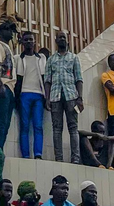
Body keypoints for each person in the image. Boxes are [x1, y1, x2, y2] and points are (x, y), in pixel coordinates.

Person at [44, 31, 83, 163]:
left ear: (67, 40)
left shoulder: (74, 58)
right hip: (55, 97)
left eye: (64, 37)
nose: (62, 39)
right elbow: (47, 81)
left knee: (73, 128)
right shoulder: (51, 60)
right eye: (59, 37)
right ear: (56, 41)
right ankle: (59, 158)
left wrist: (80, 98)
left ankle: (75, 158)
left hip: (71, 96)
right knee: (57, 128)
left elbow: (79, 79)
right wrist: (47, 98)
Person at [15, 30, 46, 159]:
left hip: (39, 95)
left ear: (34, 42)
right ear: (22, 42)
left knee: (38, 125)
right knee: (24, 126)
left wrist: (47, 97)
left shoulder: (41, 58)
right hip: (24, 94)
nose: (28, 42)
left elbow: (45, 77)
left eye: (31, 39)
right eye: (26, 39)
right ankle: (26, 155)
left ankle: (38, 154)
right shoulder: (18, 58)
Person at [0, 21, 16, 149]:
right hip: (3, 87)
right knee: (1, 121)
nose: (11, 32)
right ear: (0, 32)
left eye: (11, 30)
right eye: (8, 29)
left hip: (10, 88)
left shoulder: (8, 48)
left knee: (6, 123)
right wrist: (0, 86)